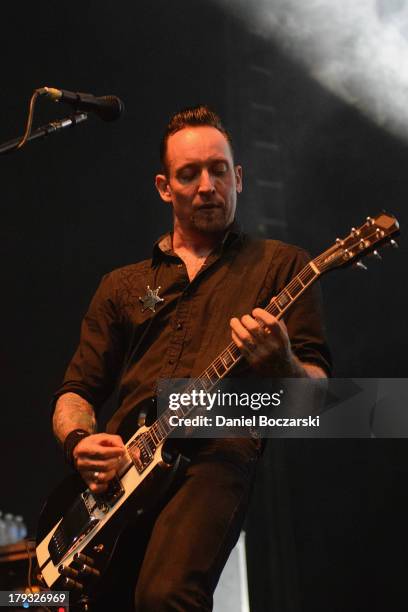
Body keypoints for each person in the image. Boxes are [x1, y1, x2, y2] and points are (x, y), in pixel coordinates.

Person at [51, 105, 331, 611]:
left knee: (166, 596)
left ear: (238, 177)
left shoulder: (284, 266)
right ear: (164, 187)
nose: (207, 185)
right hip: (122, 475)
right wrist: (79, 442)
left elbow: (317, 402)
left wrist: (281, 362)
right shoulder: (121, 286)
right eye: (189, 174)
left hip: (218, 451)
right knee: (68, 603)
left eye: (218, 170)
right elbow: (76, 392)